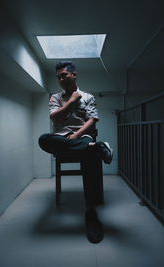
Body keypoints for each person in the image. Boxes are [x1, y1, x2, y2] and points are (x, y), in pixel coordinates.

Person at [39, 61, 113, 243]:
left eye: (64, 75)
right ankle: (97, 148)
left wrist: (78, 134)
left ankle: (90, 211)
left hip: (83, 137)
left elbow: (93, 119)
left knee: (88, 156)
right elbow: (54, 117)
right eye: (58, 77)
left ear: (74, 75)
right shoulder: (55, 98)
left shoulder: (87, 96)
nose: (61, 79)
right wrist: (71, 101)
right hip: (62, 139)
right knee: (44, 139)